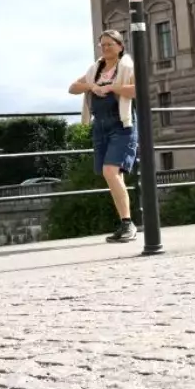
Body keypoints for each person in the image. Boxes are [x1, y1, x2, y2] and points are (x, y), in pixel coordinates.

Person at [69, 29, 139, 243]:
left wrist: (111, 88)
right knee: (113, 175)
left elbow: (137, 90)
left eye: (110, 44)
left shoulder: (127, 67)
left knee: (110, 171)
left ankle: (128, 224)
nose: (106, 48)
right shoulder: (95, 69)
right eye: (102, 45)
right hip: (100, 126)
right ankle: (124, 222)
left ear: (120, 46)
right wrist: (92, 86)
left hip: (121, 124)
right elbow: (73, 88)